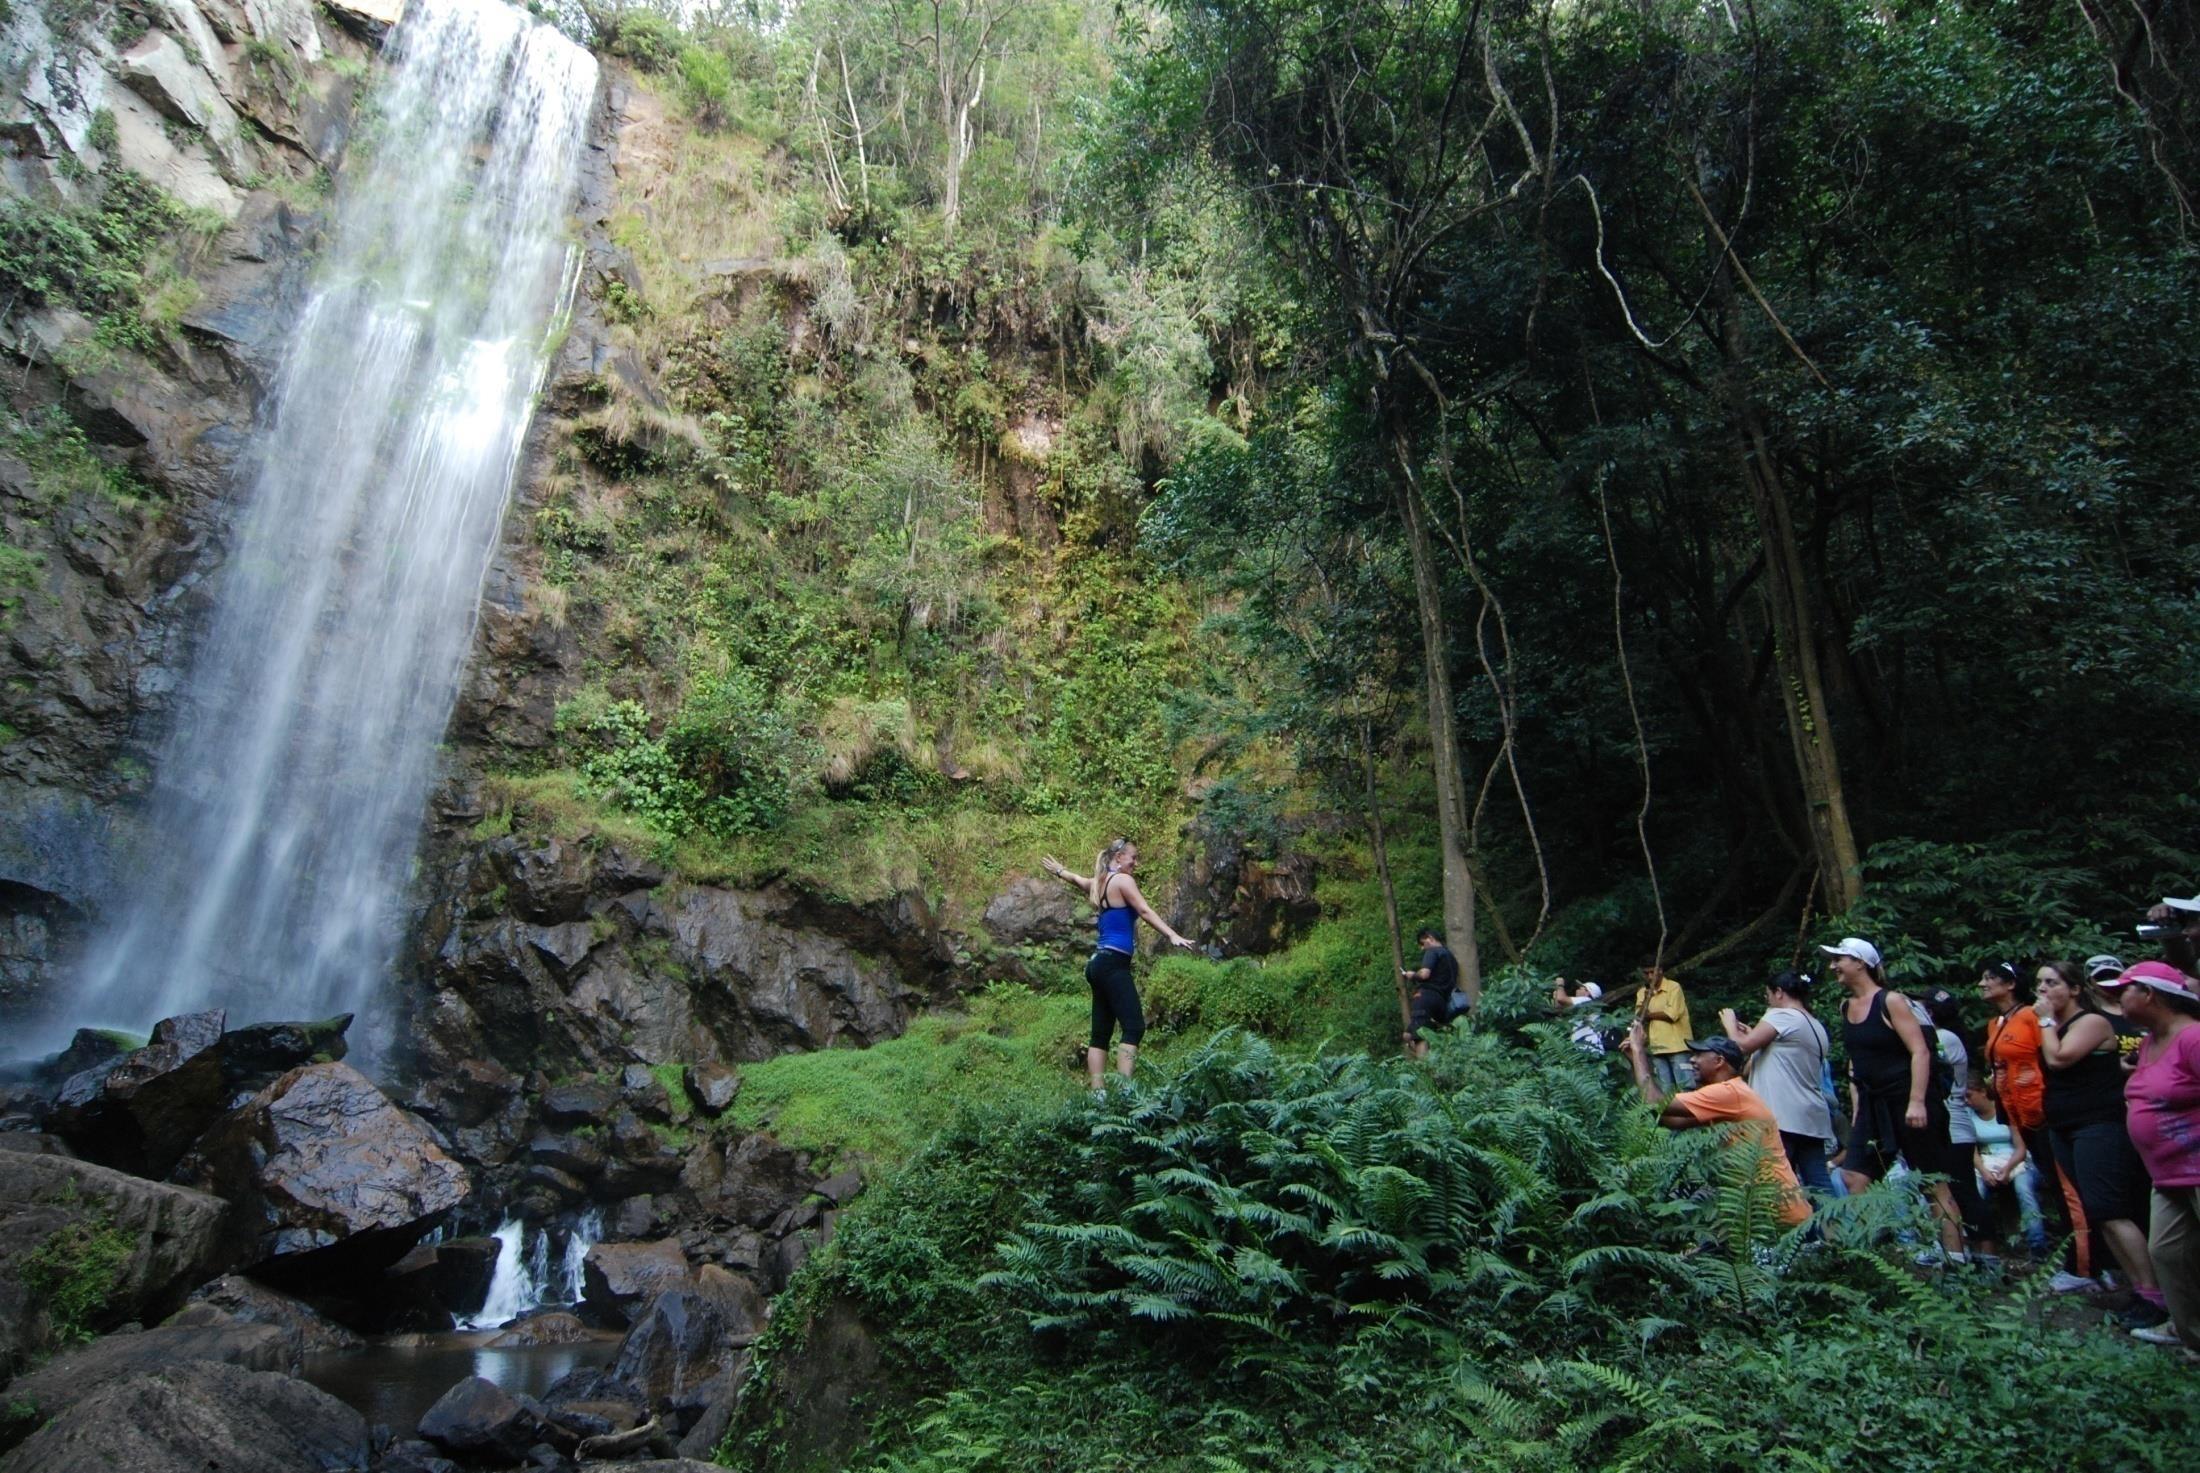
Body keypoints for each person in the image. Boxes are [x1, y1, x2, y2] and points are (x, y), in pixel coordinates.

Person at [1826, 936, 1991, 1263]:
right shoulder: (1845, 1007)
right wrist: (1860, 1108)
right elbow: (1857, 1063)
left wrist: (1916, 1101)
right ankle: (1867, 1263)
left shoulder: (1891, 1001)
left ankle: (1956, 1265)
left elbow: (1920, 1051)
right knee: (1854, 1177)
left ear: (1860, 963)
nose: (1833, 966)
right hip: (1874, 1106)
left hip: (1910, 1101)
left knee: (1933, 1185)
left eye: (1839, 959)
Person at [2037, 958, 2167, 1332]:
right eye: (2040, 984)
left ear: (2075, 989)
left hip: (2098, 1126)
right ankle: (2141, 1289)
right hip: (2065, 1127)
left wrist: (2044, 1021)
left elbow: (2059, 1059)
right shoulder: (2058, 1025)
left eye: (2052, 983)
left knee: (2110, 1207)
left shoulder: (2092, 1022)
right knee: (2097, 1211)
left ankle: (2156, 1293)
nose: (2043, 991)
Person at [1617, 1024, 1810, 1229]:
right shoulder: (1730, 1095)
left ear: (1719, 1061)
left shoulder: (1728, 1093)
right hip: (1765, 1208)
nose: (1692, 1059)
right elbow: (1669, 1119)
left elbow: (1656, 1102)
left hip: (1779, 1213)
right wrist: (1635, 1061)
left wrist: (1639, 1051)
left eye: (1699, 1054)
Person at [1041, 839, 1195, 1089]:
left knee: (1100, 1034)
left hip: (1098, 964)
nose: (1136, 863)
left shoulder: (1099, 883)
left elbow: (1078, 880)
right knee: (1134, 1026)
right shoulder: (1123, 881)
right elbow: (1144, 911)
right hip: (1113, 963)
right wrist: (1171, 935)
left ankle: (1098, 1095)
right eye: (1133, 858)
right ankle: (1125, 1092)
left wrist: (1061, 871)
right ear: (1120, 857)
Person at [2101, 961, 2200, 1348]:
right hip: (2167, 1174)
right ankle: (2192, 1338)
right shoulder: (2148, 1042)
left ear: (2149, 994)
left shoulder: (2192, 1038)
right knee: (2168, 1254)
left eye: (2124, 989)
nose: (2116, 998)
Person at [1980, 959, 2095, 1289]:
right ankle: (2076, 1262)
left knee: (2068, 1190)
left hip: (2045, 1112)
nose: (1982, 984)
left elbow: (2050, 1056)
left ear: (2010, 983)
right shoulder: (1997, 1023)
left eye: (1989, 978)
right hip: (2020, 1117)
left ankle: (2085, 1267)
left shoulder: (2033, 1017)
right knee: (2058, 1190)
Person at [1719, 969, 1836, 1196]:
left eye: (1768, 996)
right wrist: (1755, 1034)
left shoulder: (1781, 1016)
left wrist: (1730, 1024)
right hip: (1810, 1118)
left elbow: (1740, 1048)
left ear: (1779, 993)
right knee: (1819, 1186)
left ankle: (1792, 1231)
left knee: (1779, 1187)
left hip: (1783, 1117)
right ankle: (1837, 1231)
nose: (1769, 1002)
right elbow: (1778, 1059)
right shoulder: (1815, 1024)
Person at [1963, 1077, 2049, 1260]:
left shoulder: (2004, 1109)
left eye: (1969, 1096)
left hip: (2015, 1160)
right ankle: (1981, 1244)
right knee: (1976, 1190)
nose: (1967, 1101)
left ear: (1983, 1091)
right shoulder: (1968, 1116)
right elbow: (1972, 1151)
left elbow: (2021, 1147)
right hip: (1987, 1161)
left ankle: (2038, 1246)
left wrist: (2008, 1169)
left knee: (2023, 1189)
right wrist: (1985, 1172)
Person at [1401, 927, 1459, 1059]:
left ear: (1430, 939)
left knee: (1419, 1036)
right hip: (1443, 1002)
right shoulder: (1451, 957)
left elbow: (1424, 974)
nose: (1422, 948)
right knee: (1408, 1035)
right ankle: (1426, 1061)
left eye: (1422, 943)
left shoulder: (1432, 952)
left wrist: (1411, 975)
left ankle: (1425, 1071)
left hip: (1426, 997)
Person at [1635, 964, 1695, 1092]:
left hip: (1678, 1046)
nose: (1650, 976)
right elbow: (1638, 1017)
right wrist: (1647, 998)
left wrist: (1648, 1015)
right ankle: (1668, 1113)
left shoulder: (1674, 987)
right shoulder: (1642, 992)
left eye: (1652, 972)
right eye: (1646, 973)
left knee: (1685, 1087)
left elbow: (1671, 1015)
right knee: (1665, 1090)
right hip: (1657, 1047)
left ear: (1661, 970)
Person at [1553, 977, 1607, 1056]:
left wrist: (1560, 985)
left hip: (1589, 1051)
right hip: (1587, 1050)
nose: (1577, 990)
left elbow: (1561, 999)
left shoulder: (1586, 1001)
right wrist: (1556, 994)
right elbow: (1559, 1008)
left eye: (1580, 988)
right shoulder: (1582, 1007)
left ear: (1588, 993)